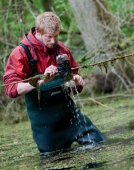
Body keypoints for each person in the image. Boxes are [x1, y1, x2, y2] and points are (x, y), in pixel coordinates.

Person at [3, 12, 105, 155]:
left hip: (71, 117)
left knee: (99, 145)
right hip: (46, 128)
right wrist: (40, 81)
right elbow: (11, 89)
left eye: (56, 36)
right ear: (38, 32)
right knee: (54, 161)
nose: (53, 41)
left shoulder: (61, 49)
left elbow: (74, 85)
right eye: (49, 37)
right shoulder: (20, 53)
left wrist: (76, 81)